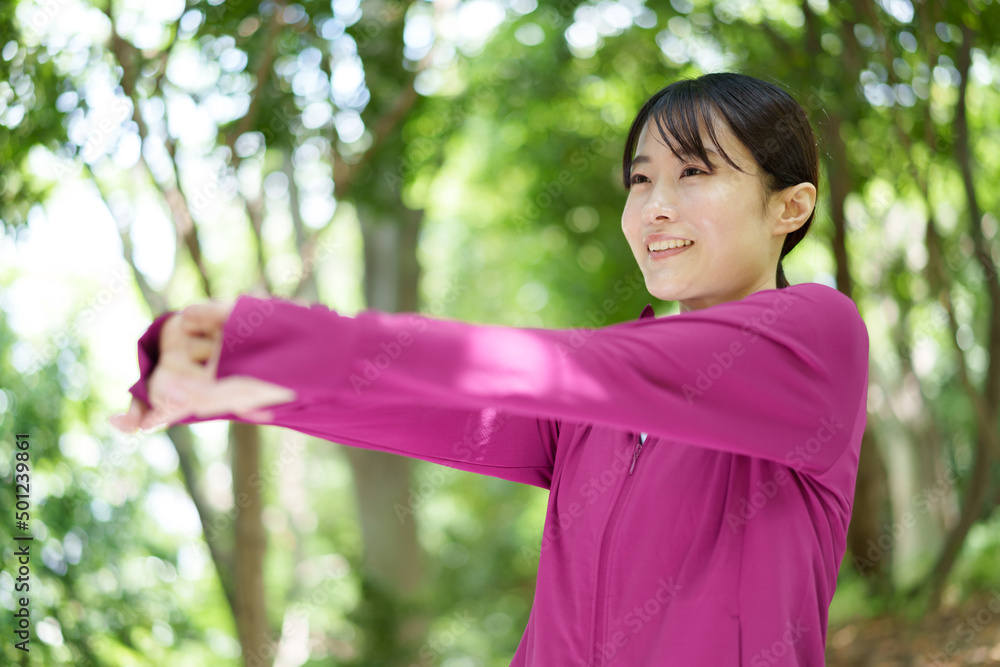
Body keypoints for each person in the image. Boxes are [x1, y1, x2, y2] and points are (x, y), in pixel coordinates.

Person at [111, 72, 869, 665]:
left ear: (790, 207)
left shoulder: (814, 339)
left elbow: (544, 368)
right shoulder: (603, 395)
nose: (653, 208)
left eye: (694, 172)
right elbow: (436, 404)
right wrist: (239, 379)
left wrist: (282, 337)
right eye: (640, 179)